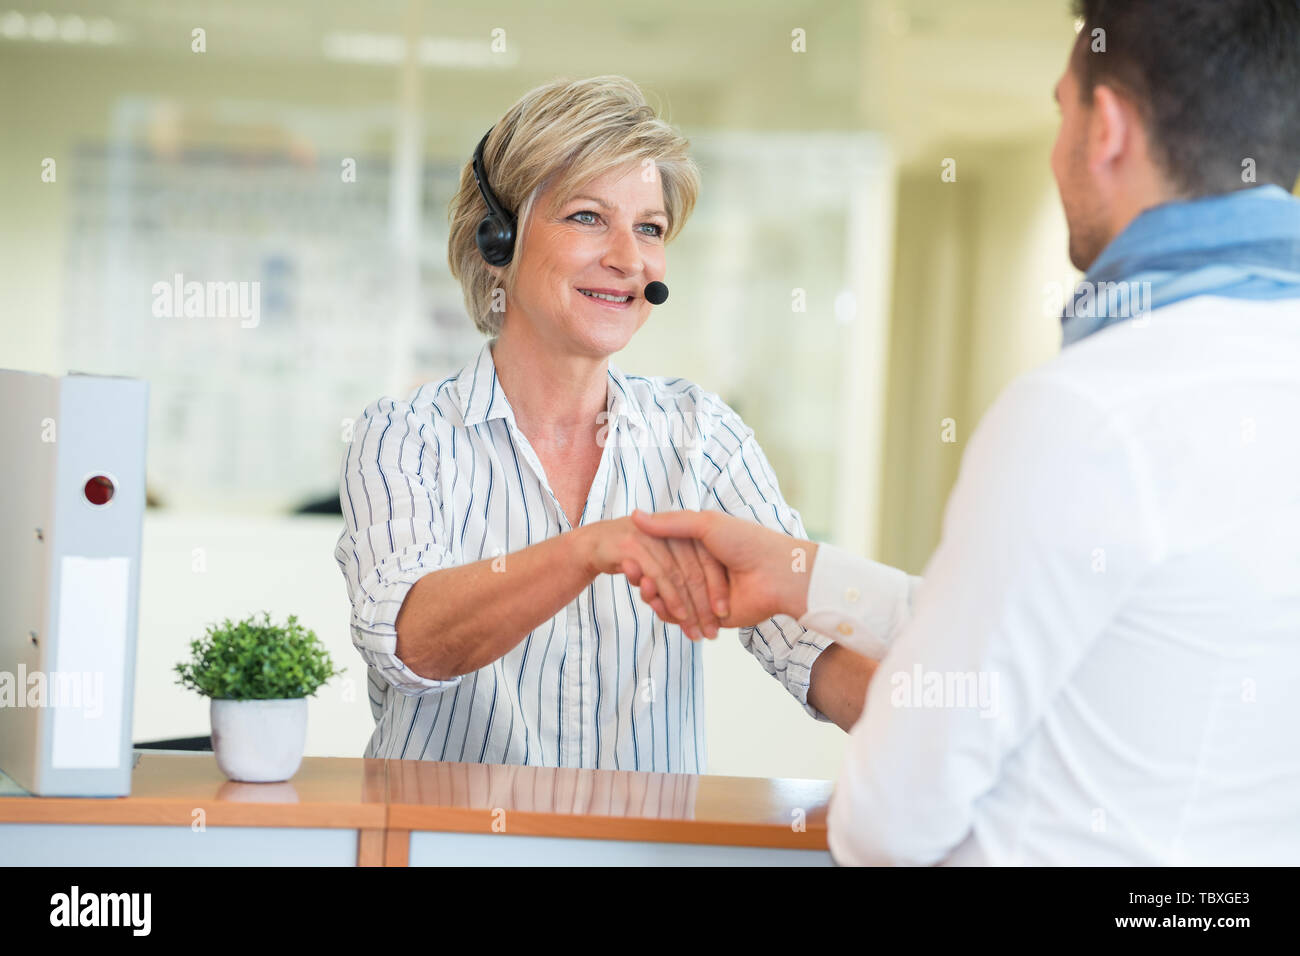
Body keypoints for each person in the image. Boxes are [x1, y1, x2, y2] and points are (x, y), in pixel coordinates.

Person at [630, 0, 1300, 864]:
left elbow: (887, 820)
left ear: (1106, 129)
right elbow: (1088, 627)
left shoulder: (1083, 412)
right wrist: (804, 575)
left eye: (1062, 110)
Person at [333, 75, 876, 771]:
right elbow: (412, 643)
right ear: (498, 242)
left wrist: (949, 726)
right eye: (588, 216)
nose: (628, 259)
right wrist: (589, 550)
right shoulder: (403, 436)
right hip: (450, 845)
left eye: (648, 228)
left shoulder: (699, 437)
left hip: (641, 849)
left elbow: (805, 640)